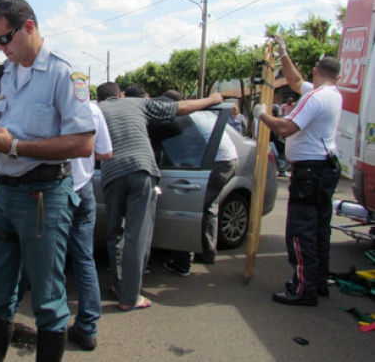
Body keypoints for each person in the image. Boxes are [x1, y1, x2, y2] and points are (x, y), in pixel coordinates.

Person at [0, 0, 95, 362]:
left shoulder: (65, 73)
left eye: (4, 38)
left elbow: (84, 143)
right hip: (5, 194)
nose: (0, 47)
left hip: (44, 196)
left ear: (28, 27)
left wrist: (17, 147)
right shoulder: (6, 72)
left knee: (46, 297)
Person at [96, 81, 223, 311]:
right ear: (121, 95)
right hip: (141, 170)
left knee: (115, 232)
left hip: (111, 173)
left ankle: (120, 286)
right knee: (137, 235)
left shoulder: (96, 111)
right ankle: (129, 298)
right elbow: (179, 108)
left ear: (99, 100)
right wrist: (212, 100)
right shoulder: (137, 103)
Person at [253, 34, 342, 307]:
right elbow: (293, 81)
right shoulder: (332, 94)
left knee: (301, 231)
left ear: (316, 72)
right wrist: (283, 54)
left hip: (311, 172)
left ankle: (304, 289)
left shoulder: (314, 98)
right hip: (324, 168)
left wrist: (262, 114)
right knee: (318, 229)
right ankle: (317, 281)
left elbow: (285, 128)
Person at [162, 93, 238, 275]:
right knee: (208, 208)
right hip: (228, 160)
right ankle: (208, 252)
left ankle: (182, 263)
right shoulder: (201, 113)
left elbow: (185, 150)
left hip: (218, 163)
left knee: (187, 209)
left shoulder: (185, 118)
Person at [66, 101, 112, 351]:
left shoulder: (50, 103)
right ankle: (87, 328)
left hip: (56, 189)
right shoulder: (93, 109)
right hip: (84, 188)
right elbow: (106, 153)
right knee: (84, 259)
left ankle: (51, 325)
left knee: (45, 259)